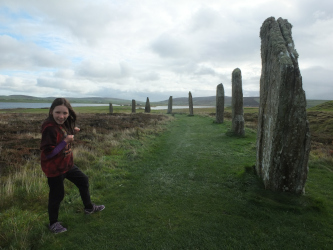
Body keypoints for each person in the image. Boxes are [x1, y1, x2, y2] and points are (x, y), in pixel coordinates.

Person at [40, 98, 105, 234]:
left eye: (65, 113)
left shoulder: (62, 124)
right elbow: (48, 154)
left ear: (69, 112)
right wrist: (65, 141)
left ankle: (89, 208)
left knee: (83, 180)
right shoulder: (49, 128)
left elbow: (62, 136)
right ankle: (53, 224)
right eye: (58, 112)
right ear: (51, 111)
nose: (61, 116)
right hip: (55, 169)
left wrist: (72, 132)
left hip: (67, 165)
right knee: (57, 196)